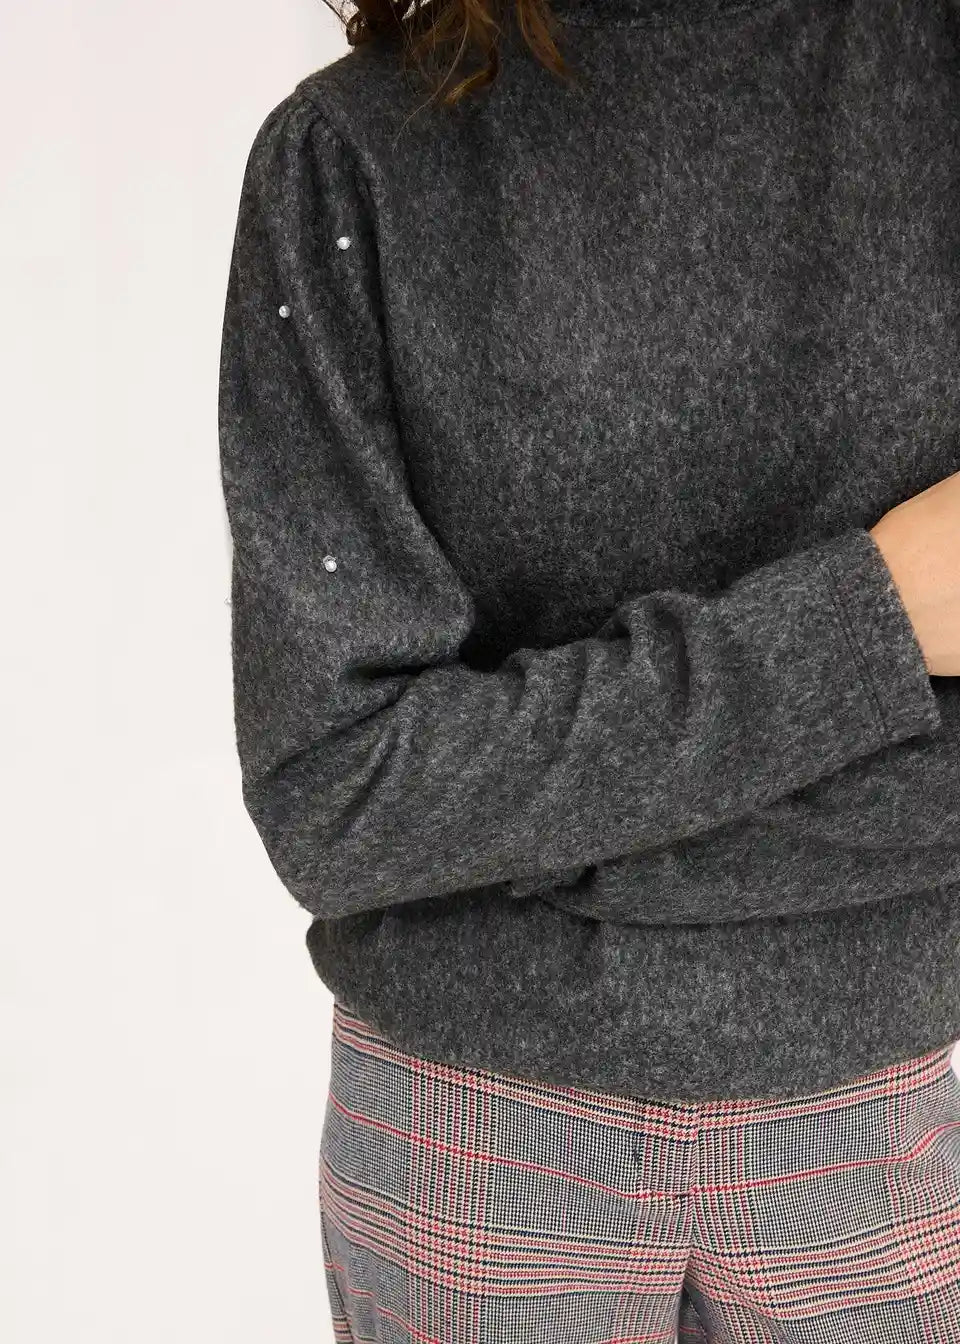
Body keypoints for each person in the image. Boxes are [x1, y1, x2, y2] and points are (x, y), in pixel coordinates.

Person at [216, 0, 960, 1336]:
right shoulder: (351, 159)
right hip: (479, 1145)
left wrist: (519, 853)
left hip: (880, 1127)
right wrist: (877, 619)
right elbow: (339, 793)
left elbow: (386, 805)